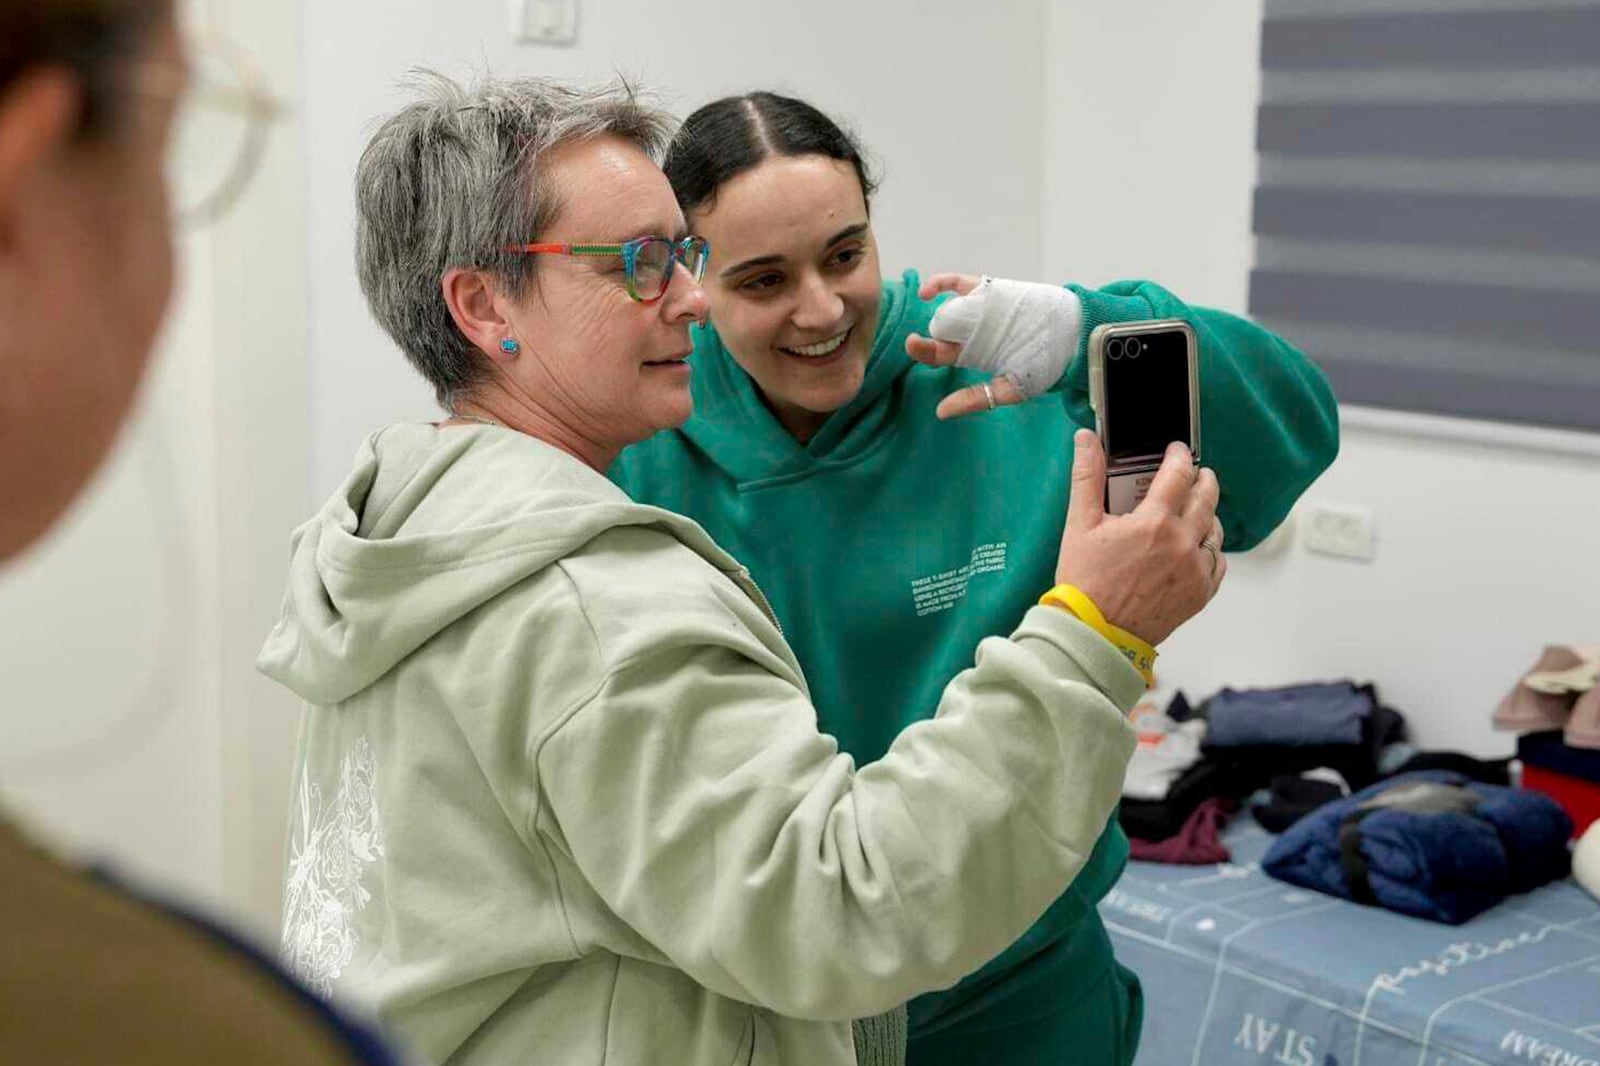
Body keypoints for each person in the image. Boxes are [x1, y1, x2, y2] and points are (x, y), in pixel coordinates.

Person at [259, 73, 1227, 1066]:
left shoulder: (411, 535)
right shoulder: (591, 605)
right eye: (640, 263)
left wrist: (1080, 324)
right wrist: (1092, 634)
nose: (690, 298)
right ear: (481, 305)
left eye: (681, 255)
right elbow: (848, 909)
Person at [609, 90, 1341, 1066]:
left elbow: (1291, 438)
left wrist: (1094, 325)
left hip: (1020, 983)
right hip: (765, 998)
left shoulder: (994, 366)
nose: (822, 309)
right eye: (762, 280)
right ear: (692, 278)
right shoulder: (640, 438)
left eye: (844, 254)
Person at [0, 1, 399, 1060]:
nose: (683, 300)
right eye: (173, 144)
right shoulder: (158, 1023)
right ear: (16, 189)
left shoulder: (368, 537)